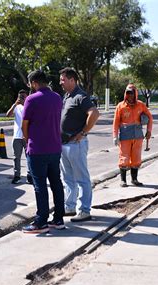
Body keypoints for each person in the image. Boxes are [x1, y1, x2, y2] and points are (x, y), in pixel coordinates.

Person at [21, 70, 65, 234]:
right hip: (55, 148)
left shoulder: (31, 99)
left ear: (33, 83)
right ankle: (59, 218)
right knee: (56, 183)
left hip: (37, 149)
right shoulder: (57, 98)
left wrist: (27, 142)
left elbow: (24, 125)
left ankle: (41, 222)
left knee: (40, 186)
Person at [59, 67, 100, 222]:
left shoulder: (80, 96)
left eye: (63, 79)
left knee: (82, 178)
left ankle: (84, 210)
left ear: (72, 80)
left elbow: (94, 113)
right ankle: (70, 207)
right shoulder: (67, 96)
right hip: (64, 144)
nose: (60, 82)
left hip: (76, 144)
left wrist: (83, 132)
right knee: (68, 178)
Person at [112, 84, 153, 187]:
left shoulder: (141, 105)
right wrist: (115, 136)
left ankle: (134, 179)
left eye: (132, 93)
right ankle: (123, 180)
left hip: (138, 136)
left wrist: (149, 131)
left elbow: (150, 118)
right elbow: (116, 122)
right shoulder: (120, 106)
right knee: (124, 158)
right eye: (128, 93)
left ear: (135, 94)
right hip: (125, 136)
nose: (130, 95)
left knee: (136, 158)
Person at [6, 89, 32, 184]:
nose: (21, 98)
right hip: (17, 136)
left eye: (23, 97)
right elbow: (8, 115)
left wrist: (25, 103)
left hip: (26, 136)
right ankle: (17, 175)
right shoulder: (16, 107)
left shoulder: (29, 106)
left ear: (27, 97)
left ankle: (30, 175)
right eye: (20, 96)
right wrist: (14, 105)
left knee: (29, 156)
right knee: (16, 157)